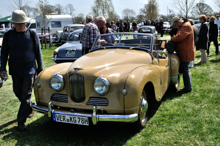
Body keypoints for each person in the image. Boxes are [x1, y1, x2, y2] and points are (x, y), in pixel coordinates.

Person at [0, 10, 43, 131]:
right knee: (17, 92)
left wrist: (40, 69)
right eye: (19, 23)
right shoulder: (8, 35)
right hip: (15, 70)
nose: (21, 25)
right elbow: (3, 54)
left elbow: (38, 53)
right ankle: (29, 108)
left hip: (29, 70)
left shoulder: (32, 34)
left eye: (23, 23)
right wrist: (2, 68)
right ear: (13, 23)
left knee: (26, 95)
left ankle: (21, 122)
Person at [171, 16, 195, 93]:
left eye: (175, 25)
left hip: (186, 52)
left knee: (185, 70)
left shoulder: (186, 26)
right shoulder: (185, 25)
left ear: (178, 21)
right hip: (184, 51)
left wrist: (172, 38)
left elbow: (179, 37)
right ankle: (187, 87)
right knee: (184, 70)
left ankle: (188, 88)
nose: (175, 27)